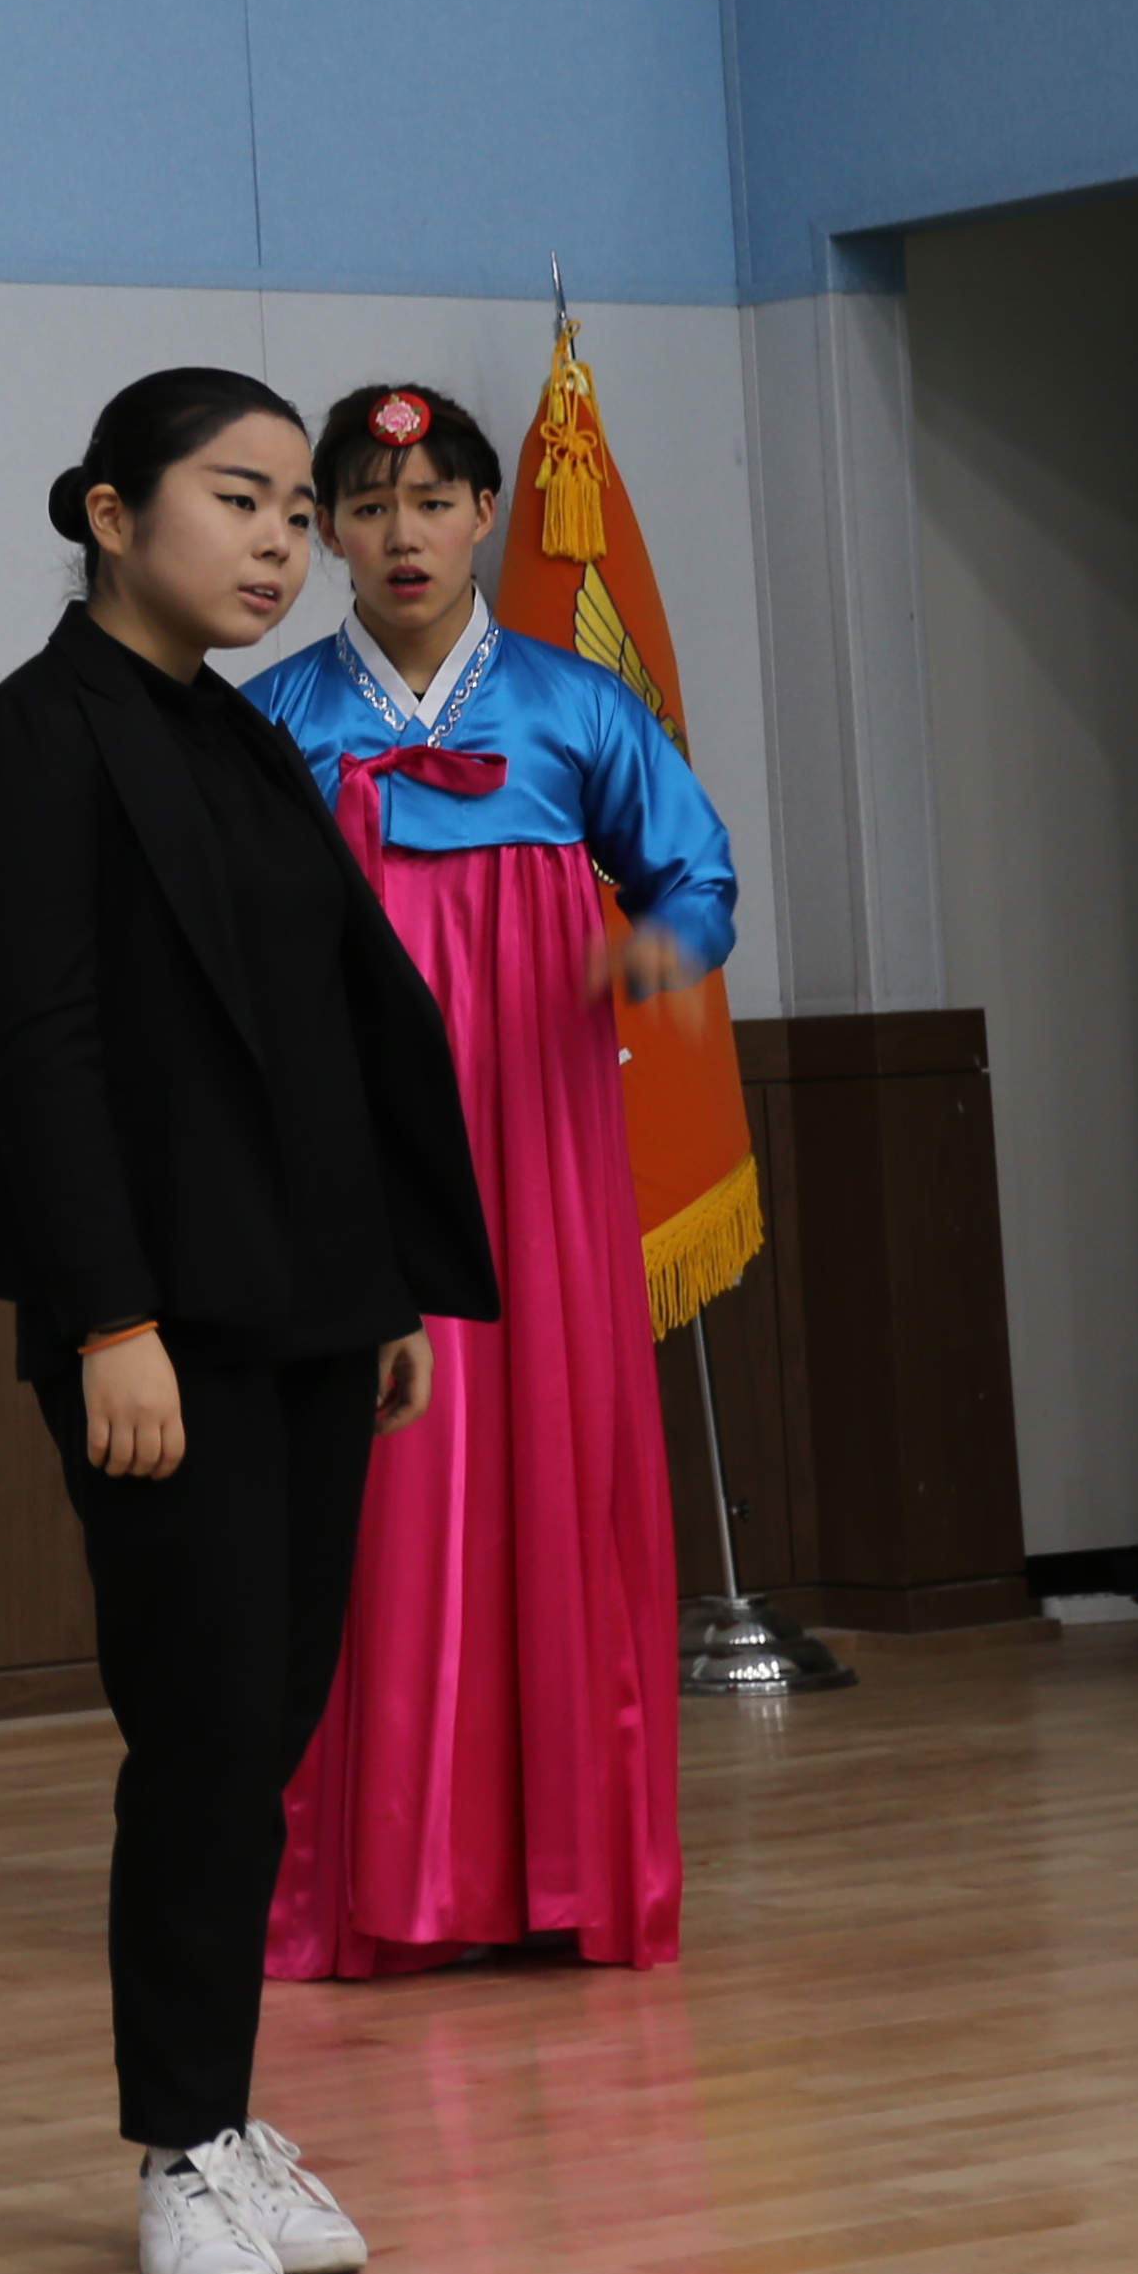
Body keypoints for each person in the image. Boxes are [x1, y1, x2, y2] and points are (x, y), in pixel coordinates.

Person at [0, 370, 499, 2274]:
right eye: (239, 501)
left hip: (309, 1302)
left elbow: (330, 1026)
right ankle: (182, 2145)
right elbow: (48, 1052)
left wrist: (387, 1289)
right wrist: (112, 1319)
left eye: (292, 513)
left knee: (268, 1723)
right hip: (154, 1320)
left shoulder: (246, 739)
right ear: (111, 515)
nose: (282, 544)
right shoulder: (22, 740)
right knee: (201, 1728)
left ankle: (230, 2115)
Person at [243, 383, 738, 1981]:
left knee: (556, 1460)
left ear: (482, 519)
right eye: (366, 506)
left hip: (539, 1131)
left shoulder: (577, 706)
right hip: (351, 1140)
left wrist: (658, 949)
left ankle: (566, 1871)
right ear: (327, 531)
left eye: (433, 501)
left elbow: (696, 874)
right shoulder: (273, 719)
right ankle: (368, 1886)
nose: (404, 535)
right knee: (372, 1481)